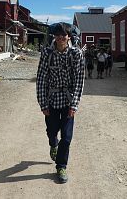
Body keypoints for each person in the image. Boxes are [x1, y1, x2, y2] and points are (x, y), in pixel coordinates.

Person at [36, 22, 85, 183]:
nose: (61, 38)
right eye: (58, 35)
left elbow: (79, 80)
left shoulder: (76, 54)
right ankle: (52, 143)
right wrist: (43, 103)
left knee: (67, 137)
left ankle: (61, 166)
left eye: (63, 35)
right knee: (52, 131)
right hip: (51, 100)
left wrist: (74, 104)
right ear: (54, 37)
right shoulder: (47, 53)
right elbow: (41, 78)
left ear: (68, 37)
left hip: (68, 100)